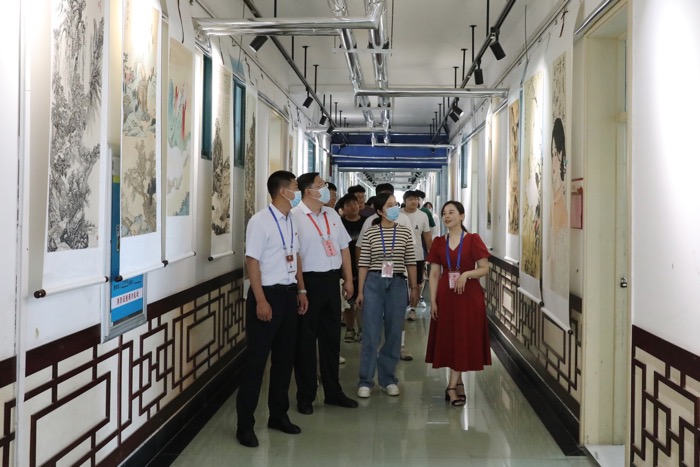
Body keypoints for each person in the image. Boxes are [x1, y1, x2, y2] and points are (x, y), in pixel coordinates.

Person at [236, 170, 309, 448]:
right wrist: (261, 300)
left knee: (284, 360)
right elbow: (252, 261)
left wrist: (301, 290)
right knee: (256, 363)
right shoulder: (260, 221)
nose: (298, 191)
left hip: (289, 295)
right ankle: (245, 426)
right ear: (282, 191)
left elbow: (296, 255)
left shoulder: (291, 220)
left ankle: (278, 415)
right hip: (267, 295)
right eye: (295, 187)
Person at [292, 172, 358, 414]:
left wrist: (348, 279)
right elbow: (295, 255)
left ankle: (333, 391)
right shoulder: (295, 216)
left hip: (332, 281)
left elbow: (344, 248)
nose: (325, 189)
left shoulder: (331, 214)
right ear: (308, 191)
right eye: (320, 185)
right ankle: (305, 395)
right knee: (306, 342)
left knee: (331, 339)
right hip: (308, 282)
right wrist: (301, 288)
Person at [425, 201, 491, 406]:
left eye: (451, 212)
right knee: (451, 337)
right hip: (446, 296)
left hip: (469, 296)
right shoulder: (438, 242)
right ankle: (458, 381)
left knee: (463, 337)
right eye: (444, 213)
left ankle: (452, 386)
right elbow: (434, 273)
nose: (447, 216)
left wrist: (467, 274)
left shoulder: (472, 239)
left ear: (462, 216)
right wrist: (433, 300)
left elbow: (484, 268)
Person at [356, 193, 419, 398]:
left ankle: (388, 379)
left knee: (394, 332)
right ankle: (366, 380)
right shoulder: (371, 233)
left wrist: (414, 287)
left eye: (395, 204)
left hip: (398, 283)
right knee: (371, 332)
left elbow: (410, 261)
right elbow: (363, 263)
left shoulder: (404, 232)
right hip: (374, 282)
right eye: (389, 205)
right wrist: (360, 291)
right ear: (380, 211)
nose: (394, 208)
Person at [338, 193, 366, 343]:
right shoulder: (339, 223)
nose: (353, 206)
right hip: (344, 267)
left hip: (363, 266)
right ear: (343, 208)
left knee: (362, 301)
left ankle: (361, 329)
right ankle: (350, 329)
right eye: (348, 204)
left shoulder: (366, 222)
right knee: (348, 301)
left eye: (354, 203)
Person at [401, 191, 433, 320]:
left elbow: (427, 237)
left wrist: (431, 255)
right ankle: (399, 307)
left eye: (416, 199)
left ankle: (413, 309)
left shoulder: (423, 215)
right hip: (399, 255)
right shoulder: (398, 214)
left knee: (417, 283)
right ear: (404, 201)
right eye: (410, 199)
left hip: (417, 254)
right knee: (400, 282)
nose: (414, 201)